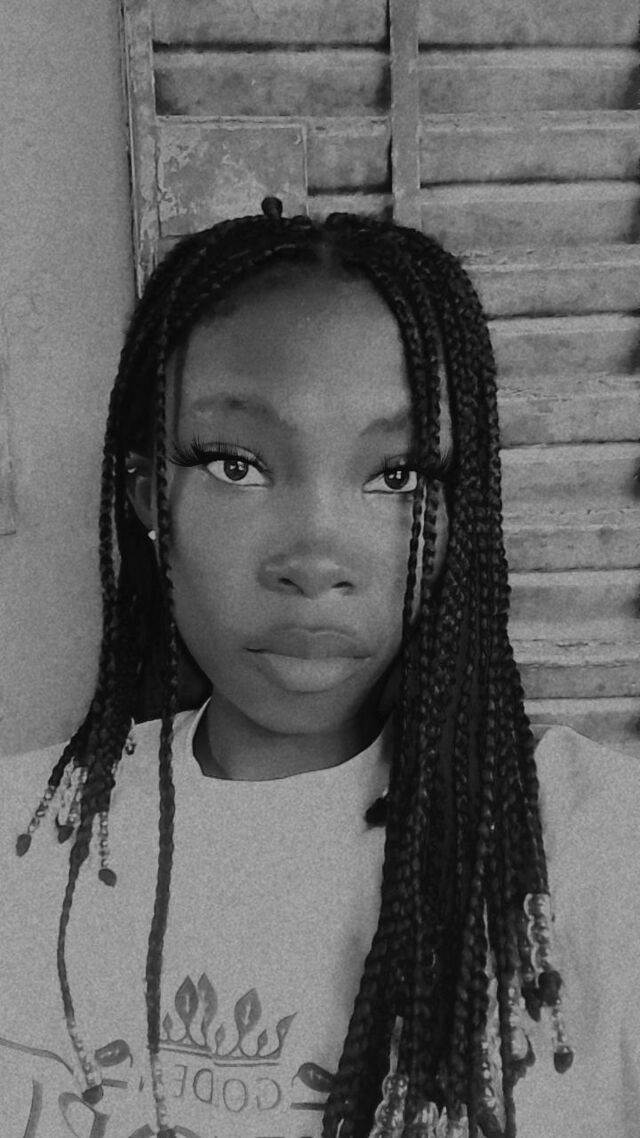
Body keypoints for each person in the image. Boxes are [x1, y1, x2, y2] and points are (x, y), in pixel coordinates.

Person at [1, 201, 639, 1138]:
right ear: (147, 499)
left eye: (397, 476)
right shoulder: (19, 842)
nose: (316, 558)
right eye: (236, 465)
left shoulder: (596, 847)